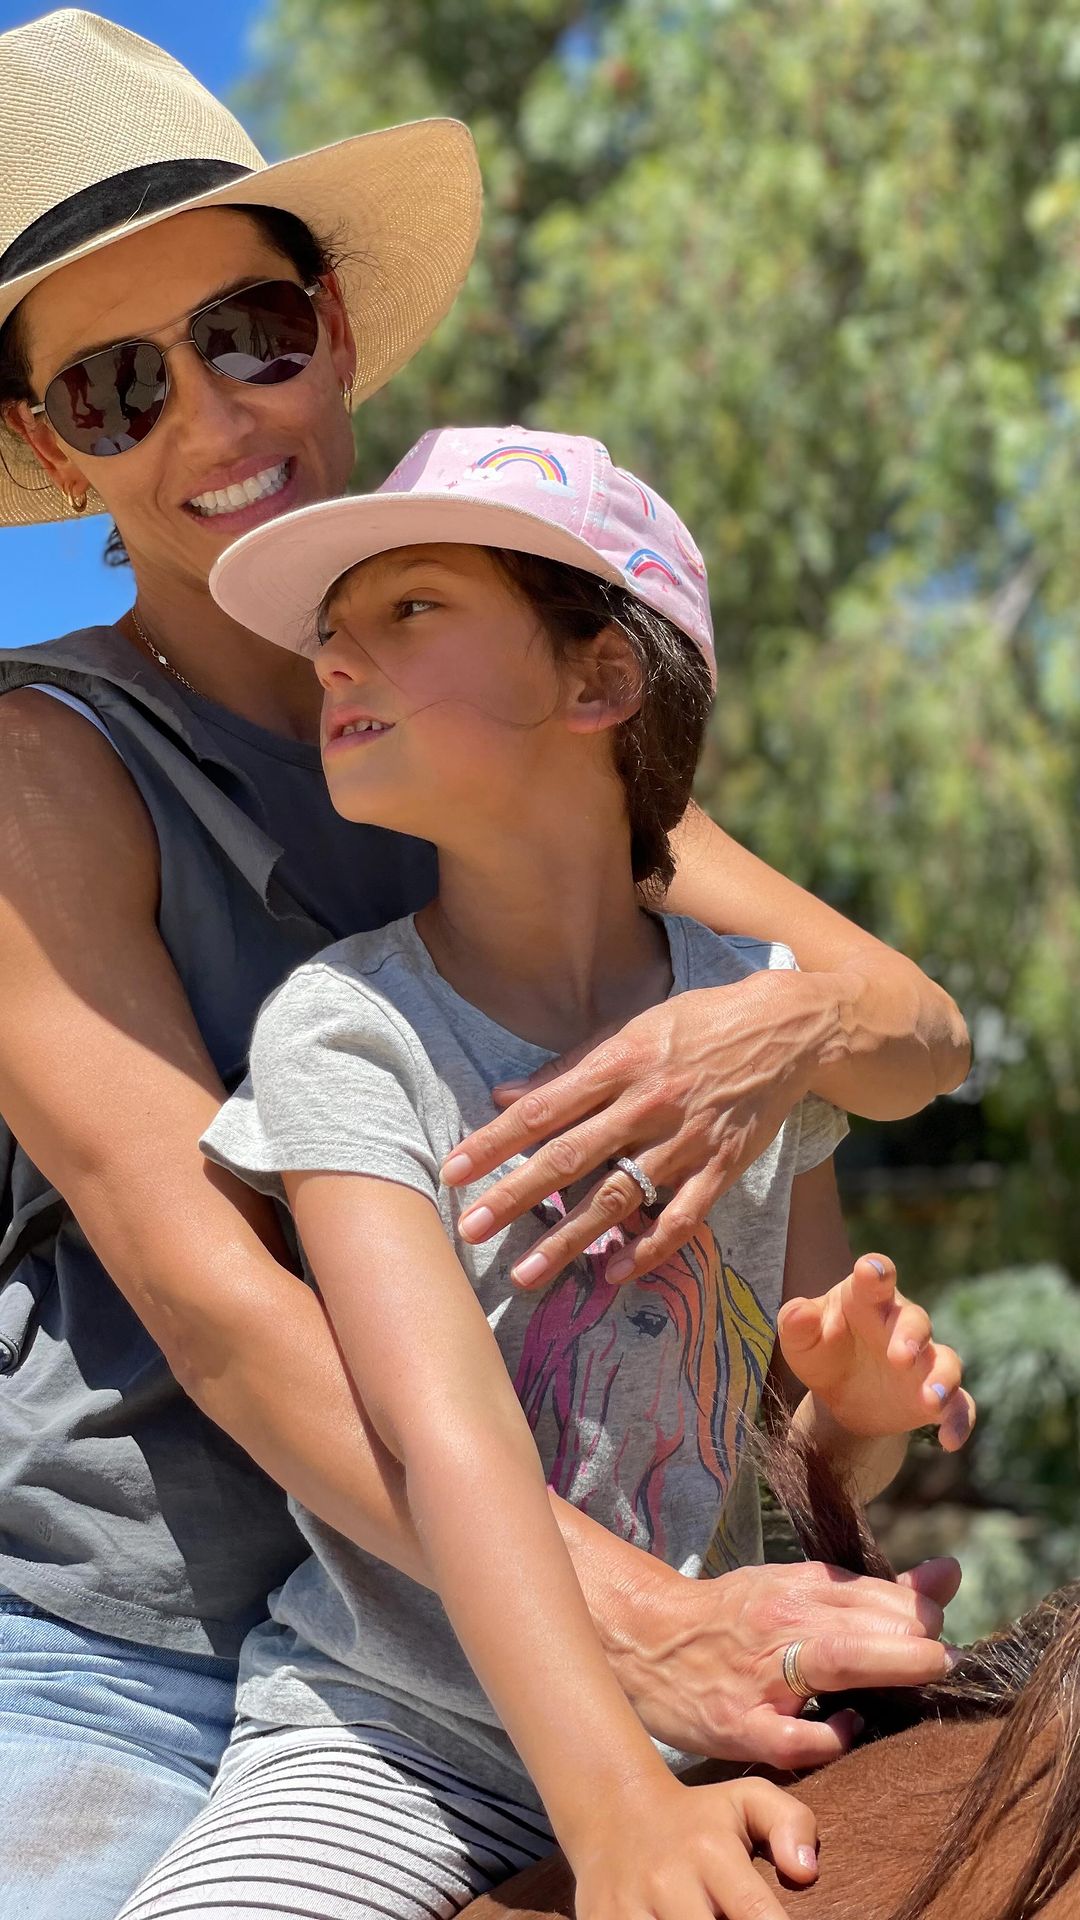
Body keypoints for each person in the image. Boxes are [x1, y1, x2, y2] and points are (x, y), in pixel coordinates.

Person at [0, 12, 968, 1920]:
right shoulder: (48, 769)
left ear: (336, 327)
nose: (213, 420)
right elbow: (223, 1307)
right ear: (51, 442)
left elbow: (913, 1034)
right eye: (115, 388)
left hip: (553, 1630)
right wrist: (639, 1628)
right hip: (158, 1660)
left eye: (249, 332)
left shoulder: (500, 721)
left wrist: (773, 1023)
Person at [114, 427, 974, 1920]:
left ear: (600, 681)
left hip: (716, 1717)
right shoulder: (348, 1029)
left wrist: (855, 1415)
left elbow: (792, 1460)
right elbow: (442, 1438)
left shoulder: (757, 1032)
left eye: (410, 609)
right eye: (332, 630)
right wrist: (616, 1808)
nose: (335, 657)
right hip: (402, 1745)